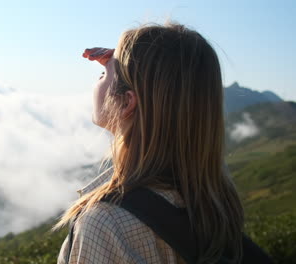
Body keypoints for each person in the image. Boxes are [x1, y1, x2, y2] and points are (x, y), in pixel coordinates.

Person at [52, 21, 248, 264]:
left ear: (126, 103)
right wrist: (132, 61)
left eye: (103, 74)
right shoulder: (216, 201)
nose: (97, 77)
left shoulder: (105, 223)